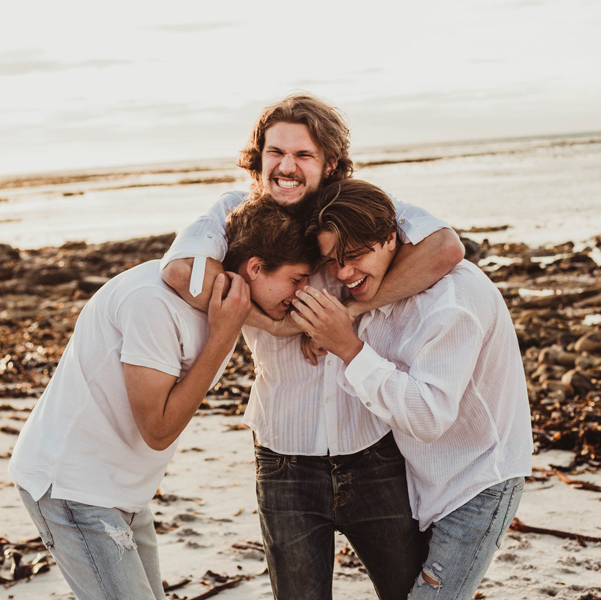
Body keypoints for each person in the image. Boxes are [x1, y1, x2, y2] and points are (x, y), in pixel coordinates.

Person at [160, 93, 465, 600]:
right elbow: (180, 273)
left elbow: (444, 247)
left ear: (330, 165)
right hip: (283, 458)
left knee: (408, 594)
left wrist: (349, 313)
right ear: (258, 159)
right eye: (275, 152)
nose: (286, 166)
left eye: (303, 155)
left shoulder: (355, 208)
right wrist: (278, 326)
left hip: (374, 450)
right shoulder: (233, 212)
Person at [8, 197, 318, 600]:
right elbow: (157, 429)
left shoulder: (218, 302)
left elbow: (232, 202)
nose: (302, 292)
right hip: (72, 485)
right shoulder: (152, 304)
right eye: (297, 279)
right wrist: (223, 337)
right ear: (255, 268)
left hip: (124, 491)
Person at [291, 179, 533, 600]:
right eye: (332, 261)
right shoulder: (379, 293)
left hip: (478, 483)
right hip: (424, 482)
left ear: (390, 238)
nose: (343, 273)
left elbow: (428, 416)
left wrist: (346, 346)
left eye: (353, 257)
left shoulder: (453, 302)